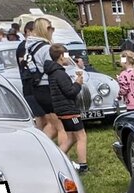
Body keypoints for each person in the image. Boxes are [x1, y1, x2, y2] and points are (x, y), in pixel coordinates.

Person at [44, 43, 87, 171]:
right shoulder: (60, 74)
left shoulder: (53, 73)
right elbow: (70, 92)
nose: (69, 58)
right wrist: (78, 83)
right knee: (81, 136)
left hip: (61, 110)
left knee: (71, 137)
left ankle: (56, 159)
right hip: (69, 110)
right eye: (67, 55)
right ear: (61, 56)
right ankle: (83, 165)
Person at [17, 20, 55, 141]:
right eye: (49, 28)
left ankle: (43, 144)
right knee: (48, 121)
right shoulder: (28, 46)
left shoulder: (29, 46)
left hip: (33, 84)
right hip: (36, 85)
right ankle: (41, 144)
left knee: (46, 120)